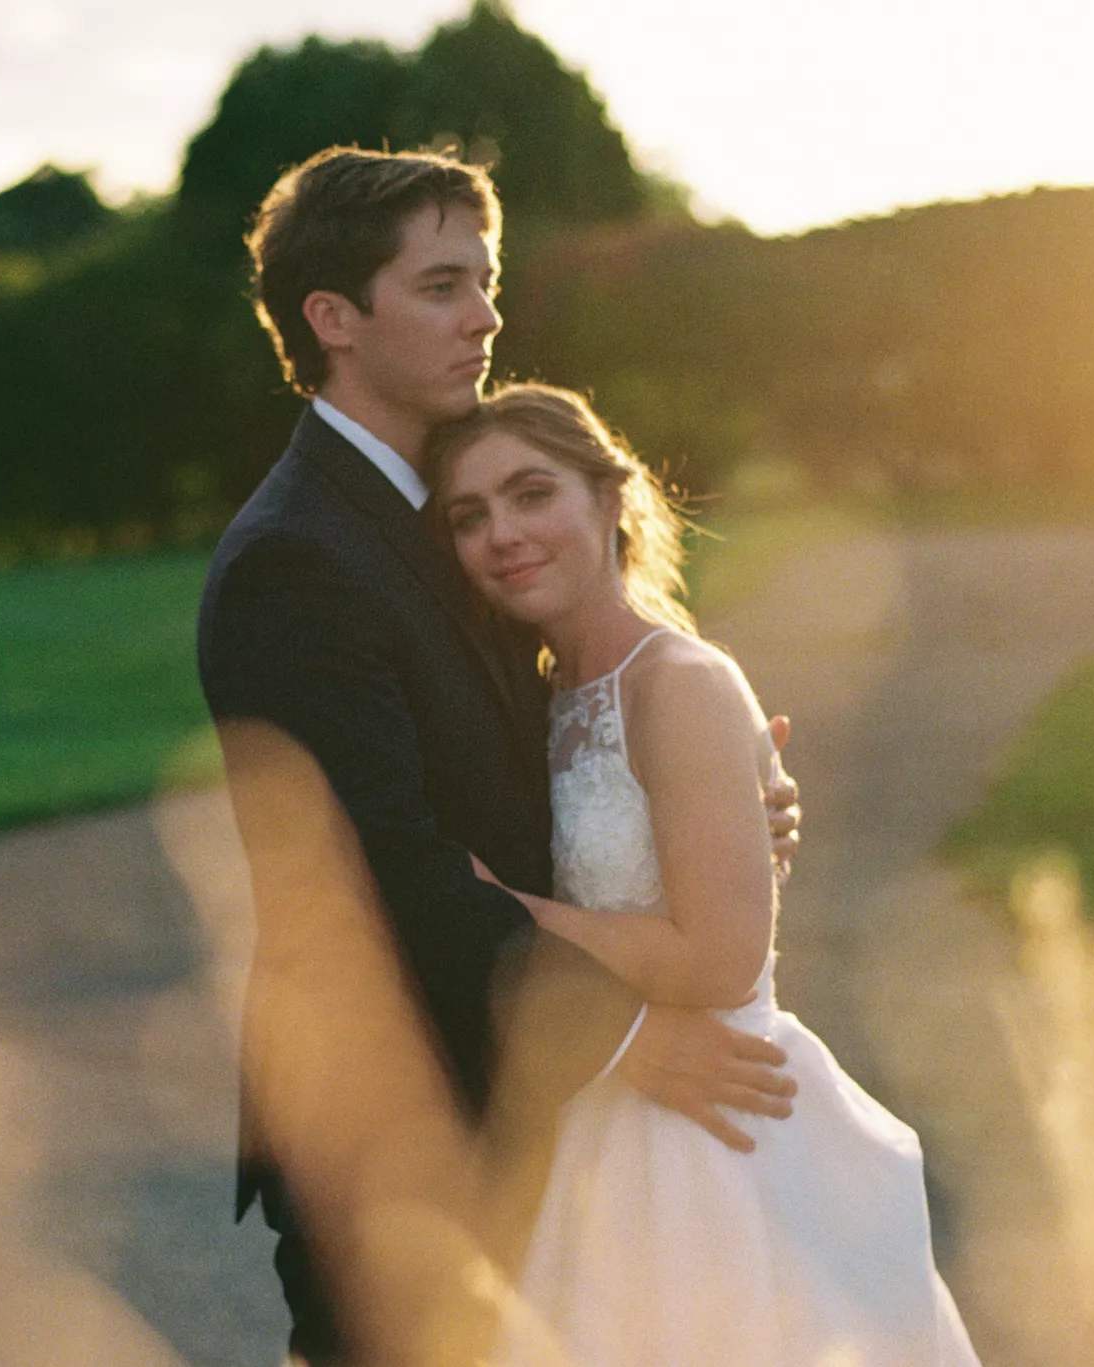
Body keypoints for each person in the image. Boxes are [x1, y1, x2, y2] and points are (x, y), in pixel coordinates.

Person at [195, 147, 804, 1366]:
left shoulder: (447, 504)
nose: (486, 314)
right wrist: (629, 1038)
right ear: (334, 320)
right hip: (405, 1115)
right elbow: (386, 873)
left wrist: (704, 780)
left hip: (540, 1107)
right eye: (439, 286)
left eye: (485, 278)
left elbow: (546, 723)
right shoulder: (296, 559)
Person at [428, 382, 982, 1366]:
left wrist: (504, 908)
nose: (501, 532)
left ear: (609, 500)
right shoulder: (535, 697)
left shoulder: (678, 684)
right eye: (469, 516)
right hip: (587, 1113)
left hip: (707, 1138)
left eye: (529, 493)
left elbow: (720, 959)